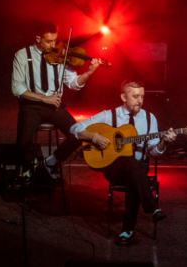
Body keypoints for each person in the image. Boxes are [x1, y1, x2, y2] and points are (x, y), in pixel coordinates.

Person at [71, 80, 176, 245]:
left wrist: (163, 142)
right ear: (123, 97)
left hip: (138, 169)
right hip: (113, 168)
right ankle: (152, 207)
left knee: (133, 171)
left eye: (142, 96)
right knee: (132, 167)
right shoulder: (109, 115)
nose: (140, 100)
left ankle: (128, 230)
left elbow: (154, 152)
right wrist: (94, 137)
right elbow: (75, 128)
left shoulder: (150, 118)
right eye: (135, 96)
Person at [11, 21, 100, 181]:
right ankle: (29, 168)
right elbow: (16, 87)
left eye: (55, 40)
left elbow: (73, 83)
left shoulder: (61, 55)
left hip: (54, 107)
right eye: (49, 41)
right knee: (23, 143)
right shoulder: (22, 55)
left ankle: (51, 162)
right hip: (31, 106)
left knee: (78, 134)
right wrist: (44, 98)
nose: (54, 45)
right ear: (38, 39)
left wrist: (88, 73)